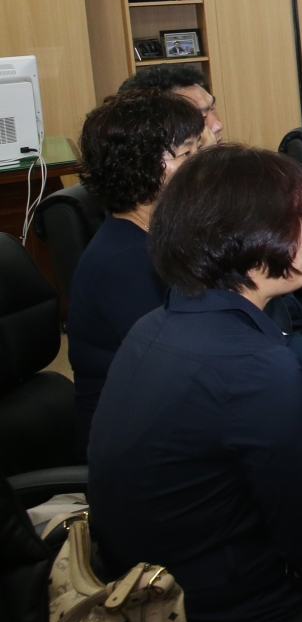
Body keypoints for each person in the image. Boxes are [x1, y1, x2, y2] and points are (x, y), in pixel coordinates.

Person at [88, 146, 302, 622]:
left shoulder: (155, 324)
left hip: (152, 557)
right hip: (226, 605)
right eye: (300, 220)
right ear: (249, 243)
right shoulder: (256, 369)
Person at [120, 63, 302, 279]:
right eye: (201, 117)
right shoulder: (136, 254)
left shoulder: (213, 190)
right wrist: (206, 161)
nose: (216, 124)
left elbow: (260, 234)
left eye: (214, 109)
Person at [68, 89, 205, 459]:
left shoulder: (163, 233)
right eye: (188, 153)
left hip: (178, 414)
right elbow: (179, 370)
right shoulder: (121, 264)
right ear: (143, 167)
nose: (200, 162)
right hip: (138, 446)